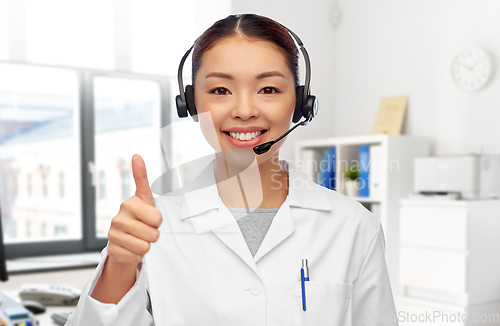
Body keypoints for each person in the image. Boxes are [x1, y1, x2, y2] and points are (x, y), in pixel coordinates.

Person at [66, 14, 399, 326]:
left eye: (268, 89)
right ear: (191, 103)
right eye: (220, 90)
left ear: (300, 103)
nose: (244, 110)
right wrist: (120, 264)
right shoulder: (152, 227)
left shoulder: (354, 226)